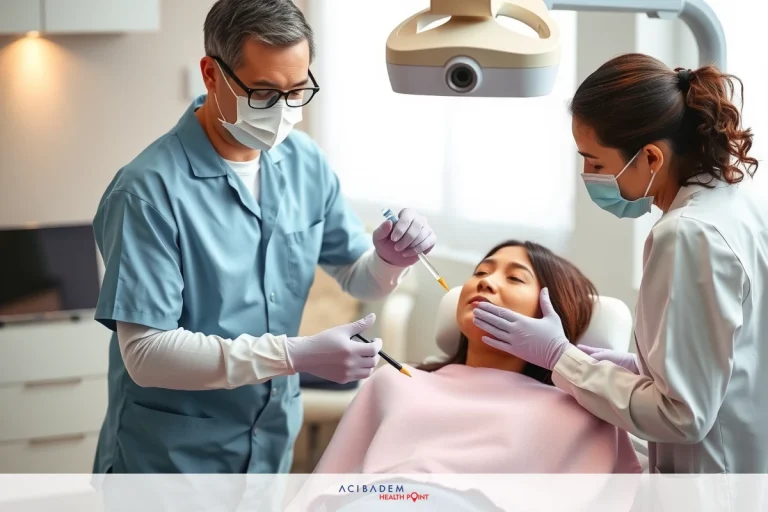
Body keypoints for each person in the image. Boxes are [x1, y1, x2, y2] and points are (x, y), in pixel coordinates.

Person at [91, 0, 437, 474]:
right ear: (211, 75)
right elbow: (146, 354)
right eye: (264, 93)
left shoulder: (303, 162)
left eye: (298, 91)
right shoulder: (147, 192)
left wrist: (391, 258)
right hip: (171, 462)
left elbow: (360, 277)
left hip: (270, 447)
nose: (283, 111)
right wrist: (295, 355)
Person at [472, 53, 768, 473]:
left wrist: (561, 357)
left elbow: (682, 415)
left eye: (596, 162)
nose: (587, 174)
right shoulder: (740, 202)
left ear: (651, 158)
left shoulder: (686, 233)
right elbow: (724, 360)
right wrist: (617, 364)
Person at [312, 241, 641, 476]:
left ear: (553, 314)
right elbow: (327, 491)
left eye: (514, 278)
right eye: (481, 271)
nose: (486, 281)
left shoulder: (578, 410)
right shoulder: (395, 382)